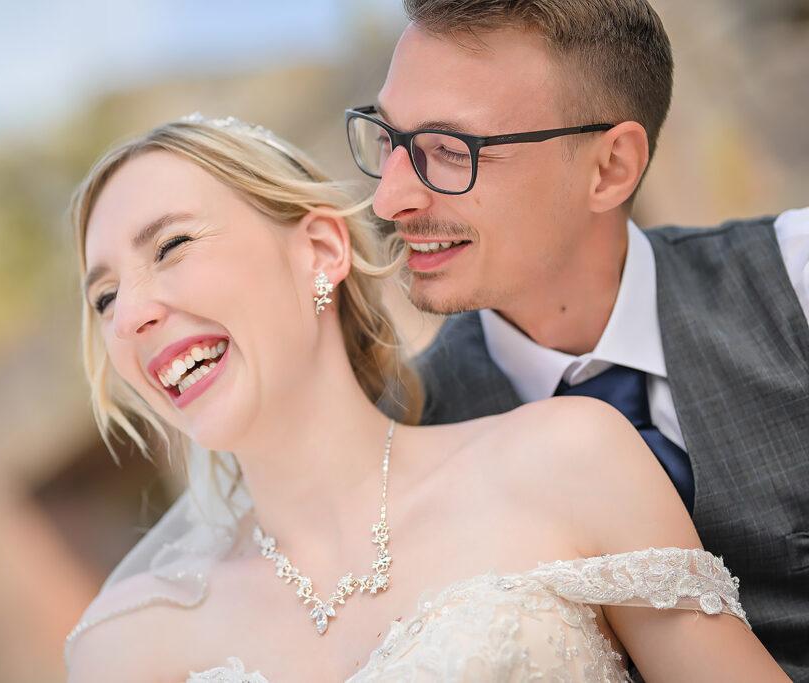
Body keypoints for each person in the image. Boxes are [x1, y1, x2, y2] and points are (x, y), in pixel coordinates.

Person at [62, 115, 785, 681]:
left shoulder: (568, 459)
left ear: (319, 250)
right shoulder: (125, 646)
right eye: (104, 297)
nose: (130, 316)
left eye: (171, 246)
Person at [343, 0, 809, 679]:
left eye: (449, 151)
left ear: (610, 168)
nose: (389, 199)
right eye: (388, 140)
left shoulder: (793, 280)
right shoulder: (396, 431)